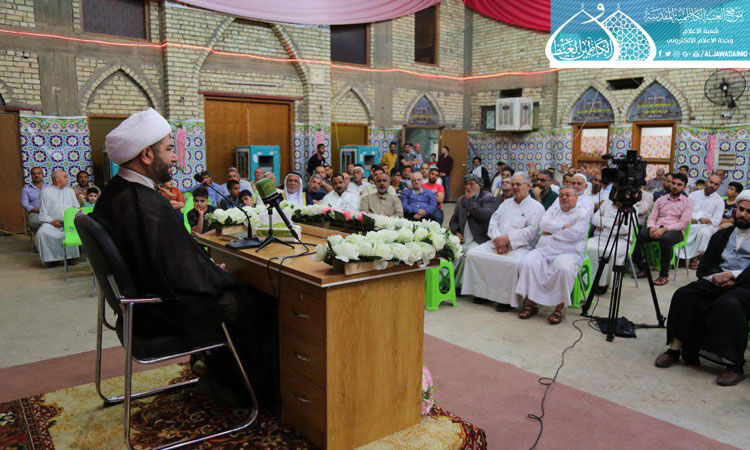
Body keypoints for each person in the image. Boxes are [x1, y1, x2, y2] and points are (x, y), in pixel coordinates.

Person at [93, 108, 277, 405]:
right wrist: (215, 275)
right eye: (169, 149)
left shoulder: (115, 192)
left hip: (135, 308)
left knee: (227, 284)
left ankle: (218, 374)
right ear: (147, 155)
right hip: (160, 313)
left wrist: (205, 267)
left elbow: (163, 259)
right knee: (259, 301)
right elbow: (177, 271)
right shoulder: (145, 203)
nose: (175, 157)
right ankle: (244, 393)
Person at [654, 191, 750, 386]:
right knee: (684, 295)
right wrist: (715, 277)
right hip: (717, 279)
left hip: (745, 284)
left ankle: (734, 365)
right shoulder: (722, 235)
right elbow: (706, 264)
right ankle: (676, 348)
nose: (743, 214)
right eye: (741, 209)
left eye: (749, 212)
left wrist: (733, 276)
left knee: (729, 304)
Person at [462, 172, 544, 311]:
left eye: (518, 184)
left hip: (520, 247)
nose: (515, 187)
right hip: (496, 242)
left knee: (512, 263)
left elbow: (531, 232)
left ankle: (505, 300)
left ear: (529, 186)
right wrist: (497, 239)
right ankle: (482, 293)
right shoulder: (506, 203)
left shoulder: (536, 207)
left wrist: (508, 239)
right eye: (513, 184)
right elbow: (493, 222)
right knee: (473, 254)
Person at [516, 186, 590, 324]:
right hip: (545, 249)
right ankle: (531, 304)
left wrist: (552, 232)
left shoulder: (583, 214)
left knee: (564, 268)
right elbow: (543, 224)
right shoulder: (554, 209)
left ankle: (559, 308)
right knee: (528, 262)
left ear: (576, 198)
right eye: (561, 195)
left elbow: (575, 234)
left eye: (568, 195)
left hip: (569, 252)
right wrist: (562, 227)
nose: (564, 198)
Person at [632, 173, 692, 285]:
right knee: (638, 236)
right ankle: (643, 268)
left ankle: (663, 275)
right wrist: (651, 227)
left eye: (679, 185)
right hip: (656, 228)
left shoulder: (687, 202)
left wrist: (664, 229)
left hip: (675, 231)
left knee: (666, 239)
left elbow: (683, 223)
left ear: (684, 187)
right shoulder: (661, 200)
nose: (675, 186)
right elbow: (652, 217)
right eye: (673, 183)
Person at [449, 174, 498, 288]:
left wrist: (470, 201)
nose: (468, 187)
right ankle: (446, 281)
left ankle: (456, 285)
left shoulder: (488, 198)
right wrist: (456, 232)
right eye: (466, 184)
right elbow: (453, 221)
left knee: (466, 253)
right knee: (449, 252)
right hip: (463, 237)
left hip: (479, 238)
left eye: (471, 184)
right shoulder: (461, 199)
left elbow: (484, 215)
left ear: (479, 185)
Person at [36, 169, 80, 266]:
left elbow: (76, 208)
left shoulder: (70, 191)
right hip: (52, 223)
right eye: (65, 177)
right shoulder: (45, 192)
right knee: (42, 233)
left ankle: (71, 257)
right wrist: (52, 222)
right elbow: (42, 214)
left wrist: (69, 220)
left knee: (72, 231)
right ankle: (52, 259)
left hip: (68, 222)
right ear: (57, 179)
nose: (67, 179)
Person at [587, 196, 631, 295]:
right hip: (599, 237)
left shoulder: (632, 208)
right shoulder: (606, 203)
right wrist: (614, 222)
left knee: (610, 253)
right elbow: (594, 219)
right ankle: (586, 281)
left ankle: (603, 284)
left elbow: (625, 230)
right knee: (586, 247)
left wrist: (603, 222)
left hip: (619, 240)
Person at [684, 174, 724, 269]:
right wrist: (698, 220)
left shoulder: (719, 200)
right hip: (692, 223)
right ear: (706, 181)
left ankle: (696, 257)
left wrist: (704, 221)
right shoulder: (693, 195)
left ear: (718, 187)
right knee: (687, 229)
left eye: (716, 184)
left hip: (708, 226)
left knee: (704, 232)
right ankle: (685, 256)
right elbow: (687, 213)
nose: (712, 185)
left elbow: (717, 220)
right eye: (711, 182)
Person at [21, 166, 48, 233]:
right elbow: (25, 204)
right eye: (34, 174)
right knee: (33, 222)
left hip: (49, 211)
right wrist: (38, 210)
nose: (36, 175)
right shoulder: (26, 189)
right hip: (35, 212)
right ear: (31, 176)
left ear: (42, 174)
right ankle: (44, 235)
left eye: (38, 173)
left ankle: (47, 235)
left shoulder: (49, 186)